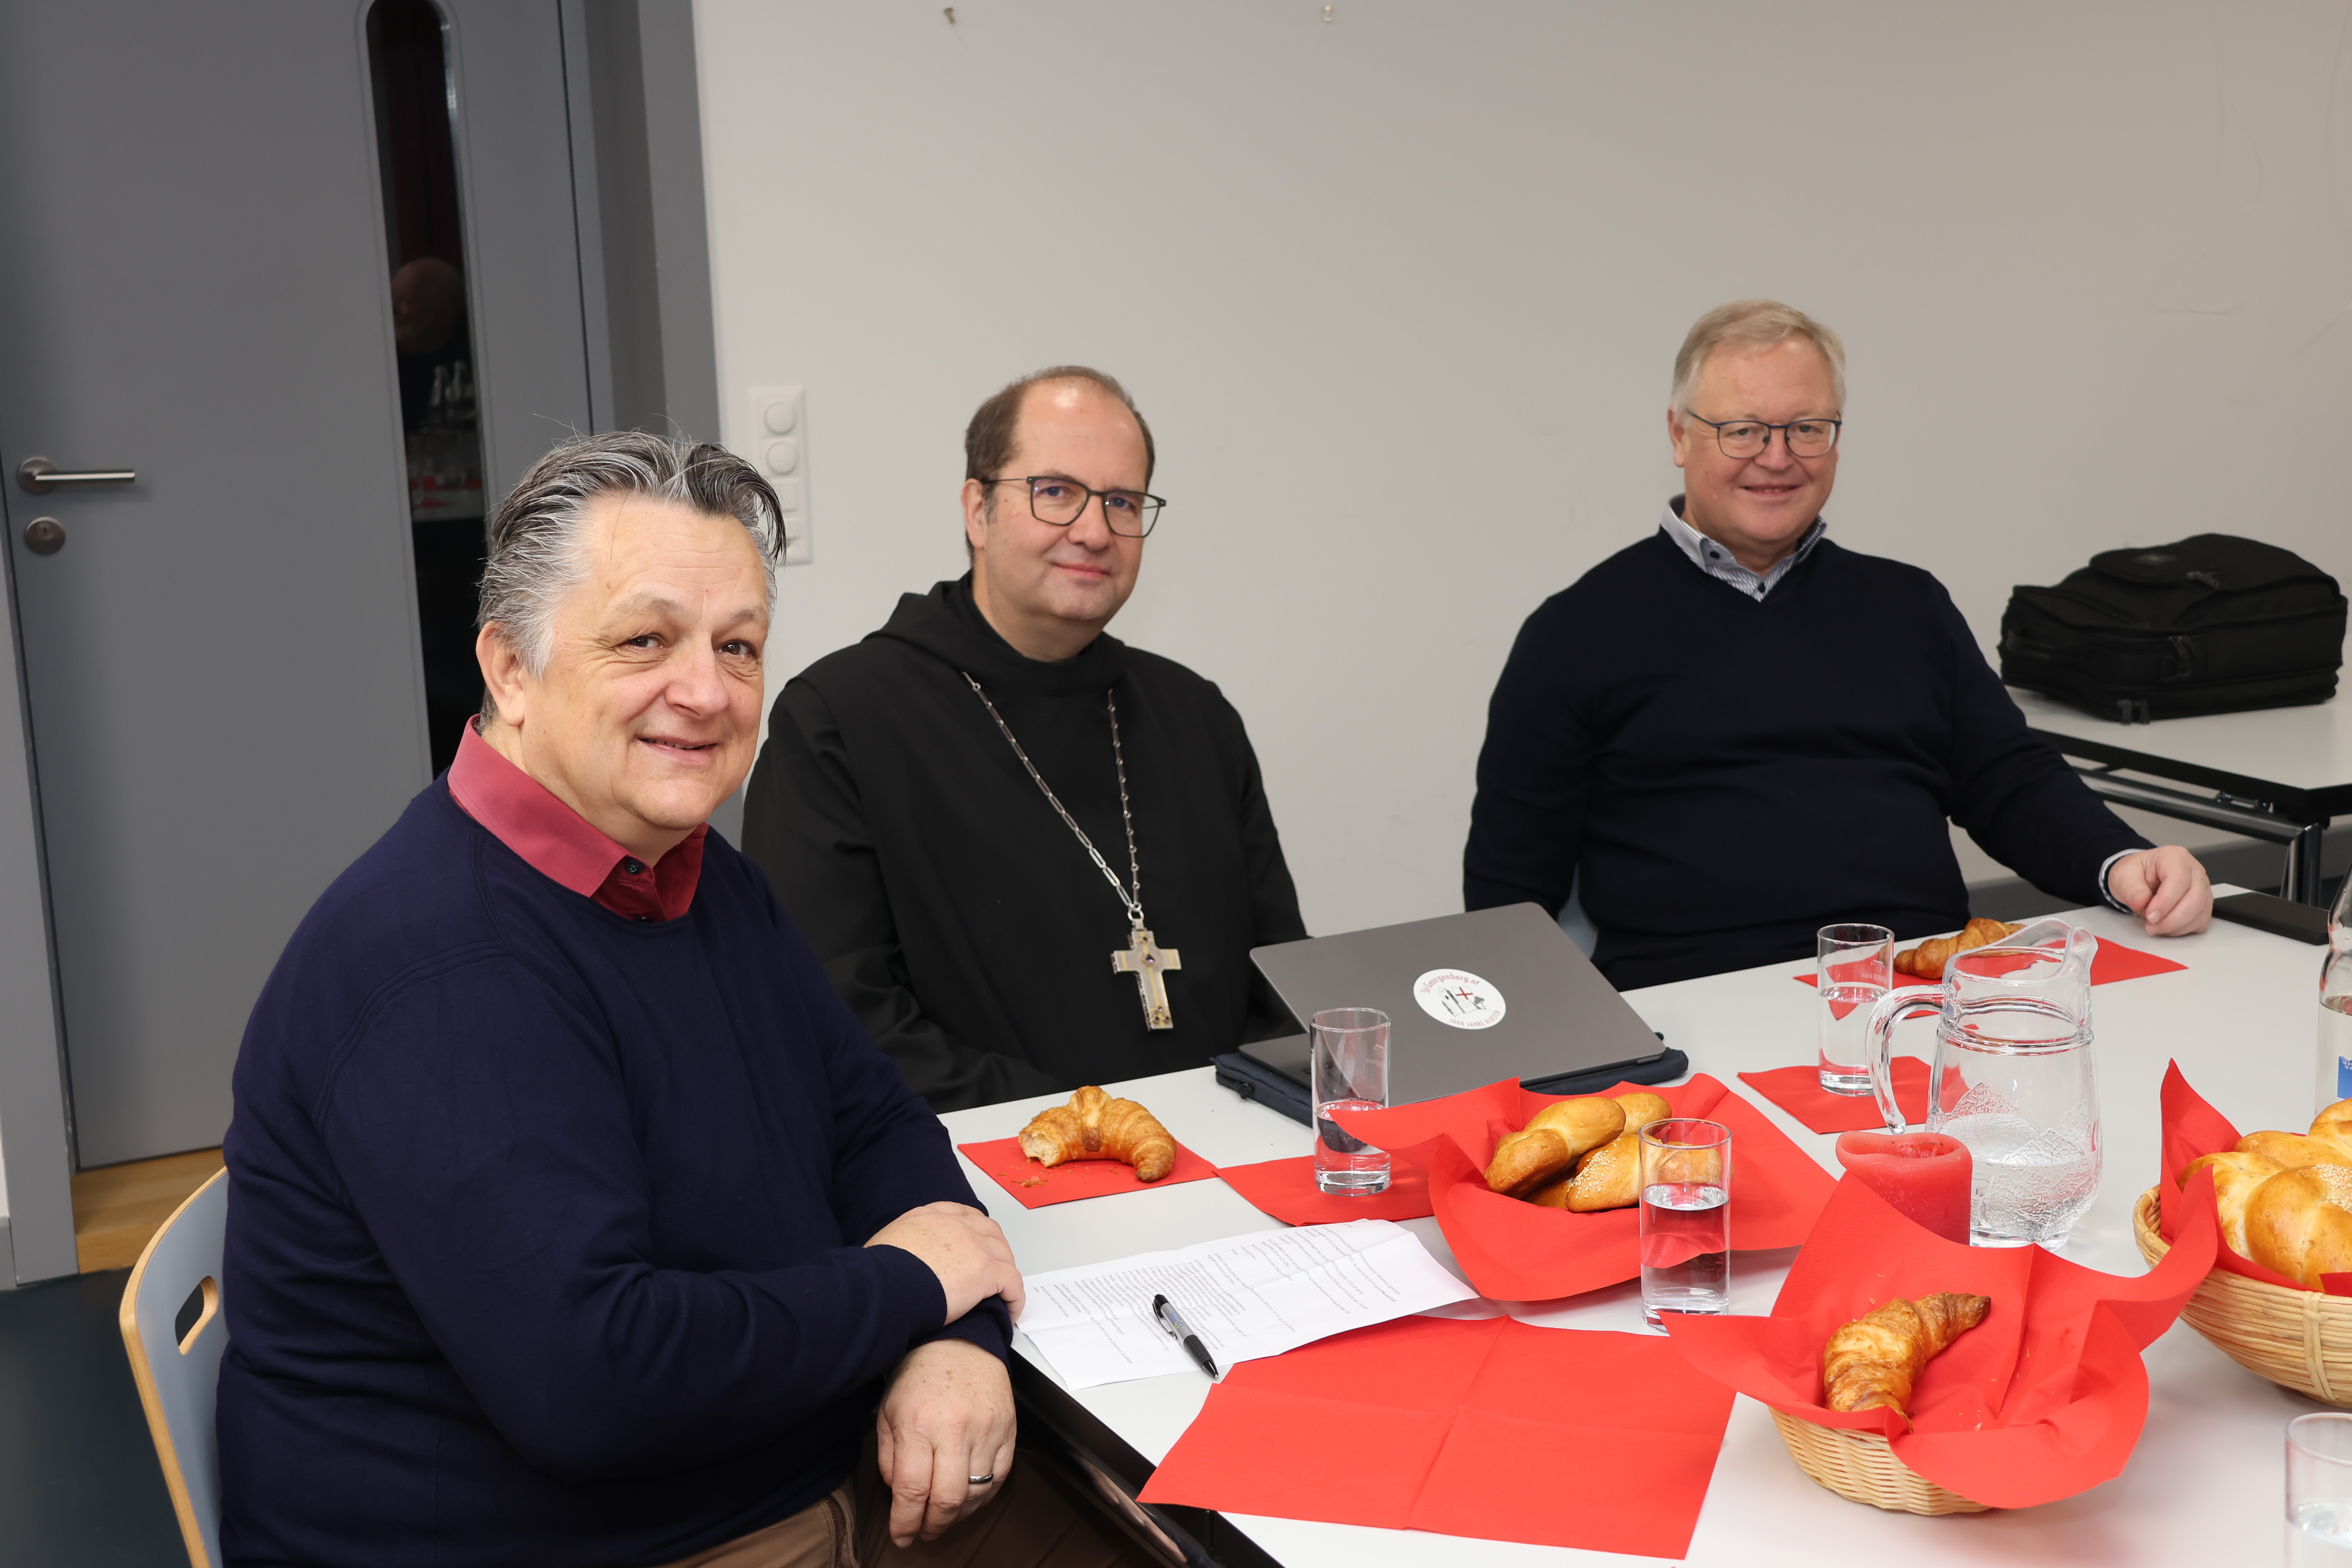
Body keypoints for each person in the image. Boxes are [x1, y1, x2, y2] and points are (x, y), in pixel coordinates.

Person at [220, 433, 1143, 1567]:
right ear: (512, 669)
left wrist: (956, 1338)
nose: (706, 692)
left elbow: (870, 1122)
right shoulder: (440, 962)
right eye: (646, 639)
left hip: (784, 1468)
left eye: (739, 646)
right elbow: (593, 1382)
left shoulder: (689, 876)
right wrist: (909, 1288)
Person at [1464, 300, 2212, 990]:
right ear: (1678, 435)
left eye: (1806, 428)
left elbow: (2005, 779)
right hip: (1697, 1004)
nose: (1778, 457)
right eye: (1743, 429)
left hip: (1920, 988)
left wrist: (2125, 864)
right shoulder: (1576, 632)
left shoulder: (1907, 604)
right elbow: (1509, 889)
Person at [743, 367, 1306, 1111]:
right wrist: (1083, 1131)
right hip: (993, 1171)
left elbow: (1280, 979)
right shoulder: (840, 719)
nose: (1095, 530)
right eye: (1056, 492)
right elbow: (839, 1016)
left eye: (1122, 502)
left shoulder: (1196, 717)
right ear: (978, 509)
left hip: (1231, 1162)